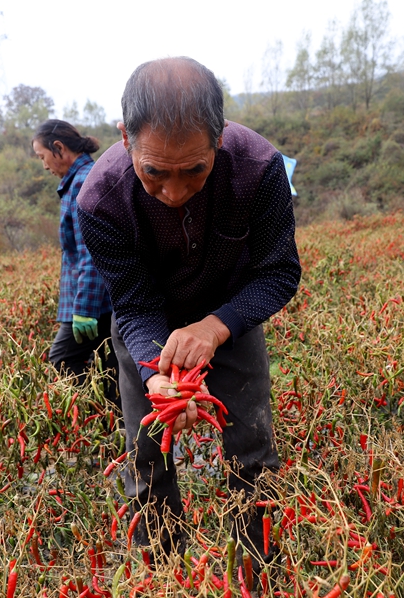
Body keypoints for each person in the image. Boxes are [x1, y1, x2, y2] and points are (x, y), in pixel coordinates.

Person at [77, 58, 301, 566]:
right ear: (125, 139)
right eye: (154, 172)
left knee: (253, 452)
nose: (174, 193)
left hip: (231, 319)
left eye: (193, 170)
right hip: (144, 330)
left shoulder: (259, 169)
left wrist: (215, 326)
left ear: (219, 138)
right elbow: (132, 303)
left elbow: (279, 272)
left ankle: (256, 570)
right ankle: (166, 572)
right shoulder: (100, 200)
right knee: (147, 461)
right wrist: (158, 372)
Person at [33, 120, 118, 406]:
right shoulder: (79, 180)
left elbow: (90, 252)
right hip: (101, 300)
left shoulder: (83, 182)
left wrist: (83, 310)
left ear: (59, 148)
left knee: (63, 359)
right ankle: (118, 428)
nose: (44, 166)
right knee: (109, 365)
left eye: (42, 156)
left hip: (96, 301)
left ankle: (101, 422)